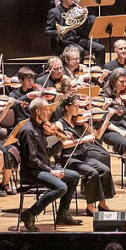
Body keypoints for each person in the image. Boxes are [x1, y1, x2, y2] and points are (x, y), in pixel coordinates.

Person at [16, 98, 83, 231]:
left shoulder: (40, 128)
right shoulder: (28, 131)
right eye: (46, 109)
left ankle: (62, 215)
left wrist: (61, 141)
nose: (49, 112)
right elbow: (31, 159)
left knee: (74, 176)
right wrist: (51, 171)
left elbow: (47, 152)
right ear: (38, 111)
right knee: (61, 187)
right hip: (31, 172)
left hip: (42, 169)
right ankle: (30, 213)